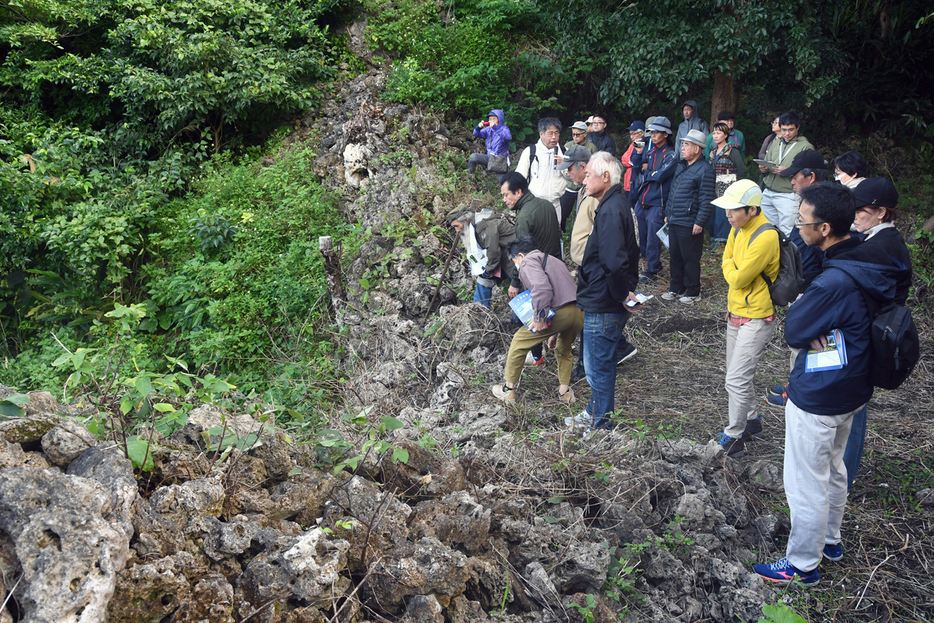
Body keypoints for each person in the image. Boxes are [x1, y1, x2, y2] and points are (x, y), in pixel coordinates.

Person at [754, 182, 898, 586]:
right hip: (853, 387)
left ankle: (801, 564)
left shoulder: (833, 281)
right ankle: (829, 540)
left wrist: (807, 316)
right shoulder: (868, 259)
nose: (797, 227)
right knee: (833, 467)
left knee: (806, 480)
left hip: (821, 393)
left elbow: (796, 329)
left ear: (824, 229)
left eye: (802, 221)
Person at [843, 177, 912, 492]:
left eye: (861, 210)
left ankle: (844, 476)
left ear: (881, 212)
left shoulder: (880, 248)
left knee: (854, 409)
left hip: (869, 337)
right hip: (872, 333)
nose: (855, 215)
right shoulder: (882, 241)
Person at [566, 152, 642, 434]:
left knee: (598, 368)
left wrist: (623, 295)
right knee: (599, 364)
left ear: (606, 177)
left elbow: (615, 261)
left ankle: (601, 426)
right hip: (602, 296)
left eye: (588, 175)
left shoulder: (611, 210)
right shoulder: (613, 204)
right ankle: (595, 412)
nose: (583, 180)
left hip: (604, 301)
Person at [710, 180, 780, 458]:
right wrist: (730, 265)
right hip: (735, 312)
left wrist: (729, 266)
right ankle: (752, 420)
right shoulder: (737, 228)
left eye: (733, 210)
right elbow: (728, 260)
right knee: (736, 375)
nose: (728, 215)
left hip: (757, 316)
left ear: (752, 209)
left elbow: (737, 277)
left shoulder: (765, 237)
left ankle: (735, 435)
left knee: (736, 380)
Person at [765, 149, 830, 409]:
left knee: (807, 344)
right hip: (804, 282)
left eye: (795, 176)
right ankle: (796, 385)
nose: (791, 181)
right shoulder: (812, 202)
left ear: (810, 176)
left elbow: (821, 254)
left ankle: (798, 393)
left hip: (811, 286)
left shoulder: (822, 206)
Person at [491, 235, 584, 406]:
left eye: (514, 261)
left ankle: (508, 390)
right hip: (577, 312)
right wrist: (553, 333)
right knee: (564, 350)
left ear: (520, 256)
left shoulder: (528, 262)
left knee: (519, 342)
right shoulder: (554, 260)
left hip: (559, 313)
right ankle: (565, 393)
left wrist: (540, 318)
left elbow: (541, 288)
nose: (517, 266)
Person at [500, 172, 562, 366]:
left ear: (518, 192)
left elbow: (522, 255)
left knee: (528, 315)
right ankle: (556, 346)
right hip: (554, 266)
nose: (504, 200)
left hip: (536, 271)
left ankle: (536, 356)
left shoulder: (524, 217)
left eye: (506, 195)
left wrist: (515, 283)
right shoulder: (547, 205)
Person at [661, 129, 714, 304]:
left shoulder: (704, 169)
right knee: (675, 256)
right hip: (675, 219)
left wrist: (700, 221)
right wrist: (668, 213)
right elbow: (672, 192)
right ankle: (676, 288)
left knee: (690, 258)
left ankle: (692, 291)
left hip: (690, 222)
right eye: (682, 144)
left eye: (686, 145)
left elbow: (706, 199)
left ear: (697, 149)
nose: (682, 148)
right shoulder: (682, 166)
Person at [630, 116, 677, 283]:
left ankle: (653, 269)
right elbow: (637, 169)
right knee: (638, 234)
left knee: (652, 238)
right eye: (652, 132)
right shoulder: (649, 152)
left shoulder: (671, 155)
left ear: (665, 134)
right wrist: (638, 156)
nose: (653, 135)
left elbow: (660, 176)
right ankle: (645, 263)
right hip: (642, 199)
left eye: (657, 132)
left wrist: (647, 173)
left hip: (657, 202)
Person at [758, 111, 815, 236]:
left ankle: (789, 256)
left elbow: (808, 173)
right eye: (783, 130)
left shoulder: (805, 147)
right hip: (769, 191)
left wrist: (789, 171)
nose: (786, 133)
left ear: (798, 127)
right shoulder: (776, 142)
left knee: (787, 231)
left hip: (788, 194)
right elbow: (768, 160)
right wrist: (764, 168)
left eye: (790, 130)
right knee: (767, 229)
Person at [447, 208, 517, 307]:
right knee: (483, 280)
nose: (457, 230)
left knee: (522, 300)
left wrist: (488, 270)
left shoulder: (485, 225)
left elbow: (493, 252)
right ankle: (479, 311)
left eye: (456, 226)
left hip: (514, 261)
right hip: (501, 260)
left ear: (464, 220)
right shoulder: (474, 226)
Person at [515, 118, 566, 222]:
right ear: (541, 134)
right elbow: (519, 178)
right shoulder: (530, 152)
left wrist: (565, 165)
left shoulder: (564, 152)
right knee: (534, 235)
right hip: (535, 203)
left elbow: (573, 178)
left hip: (555, 204)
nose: (554, 137)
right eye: (550, 133)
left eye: (556, 133)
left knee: (553, 235)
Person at [707, 121, 746, 246]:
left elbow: (740, 168)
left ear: (726, 134)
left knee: (724, 213)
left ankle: (724, 241)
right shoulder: (713, 151)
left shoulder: (732, 150)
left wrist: (735, 184)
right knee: (714, 212)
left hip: (728, 186)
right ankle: (716, 238)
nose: (715, 136)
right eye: (714, 133)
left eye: (718, 133)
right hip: (714, 185)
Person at [559, 122, 597, 230]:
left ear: (585, 134)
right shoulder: (568, 146)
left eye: (578, 134)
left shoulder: (592, 147)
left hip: (585, 187)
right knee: (563, 212)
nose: (575, 137)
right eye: (573, 134)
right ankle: (562, 232)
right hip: (570, 187)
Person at [468, 109, 512, 175]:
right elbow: (476, 134)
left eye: (494, 119)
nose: (491, 121)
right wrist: (478, 127)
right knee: (473, 157)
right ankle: (470, 176)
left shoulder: (504, 129)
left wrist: (495, 128)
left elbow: (508, 137)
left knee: (502, 181)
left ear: (499, 119)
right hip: (489, 157)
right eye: (490, 119)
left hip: (500, 160)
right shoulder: (488, 129)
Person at [620, 120, 645, 196]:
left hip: (636, 184)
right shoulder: (632, 145)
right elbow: (623, 159)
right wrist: (631, 160)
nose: (631, 136)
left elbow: (636, 161)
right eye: (630, 134)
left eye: (634, 133)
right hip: (628, 184)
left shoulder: (644, 145)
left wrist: (632, 160)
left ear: (642, 133)